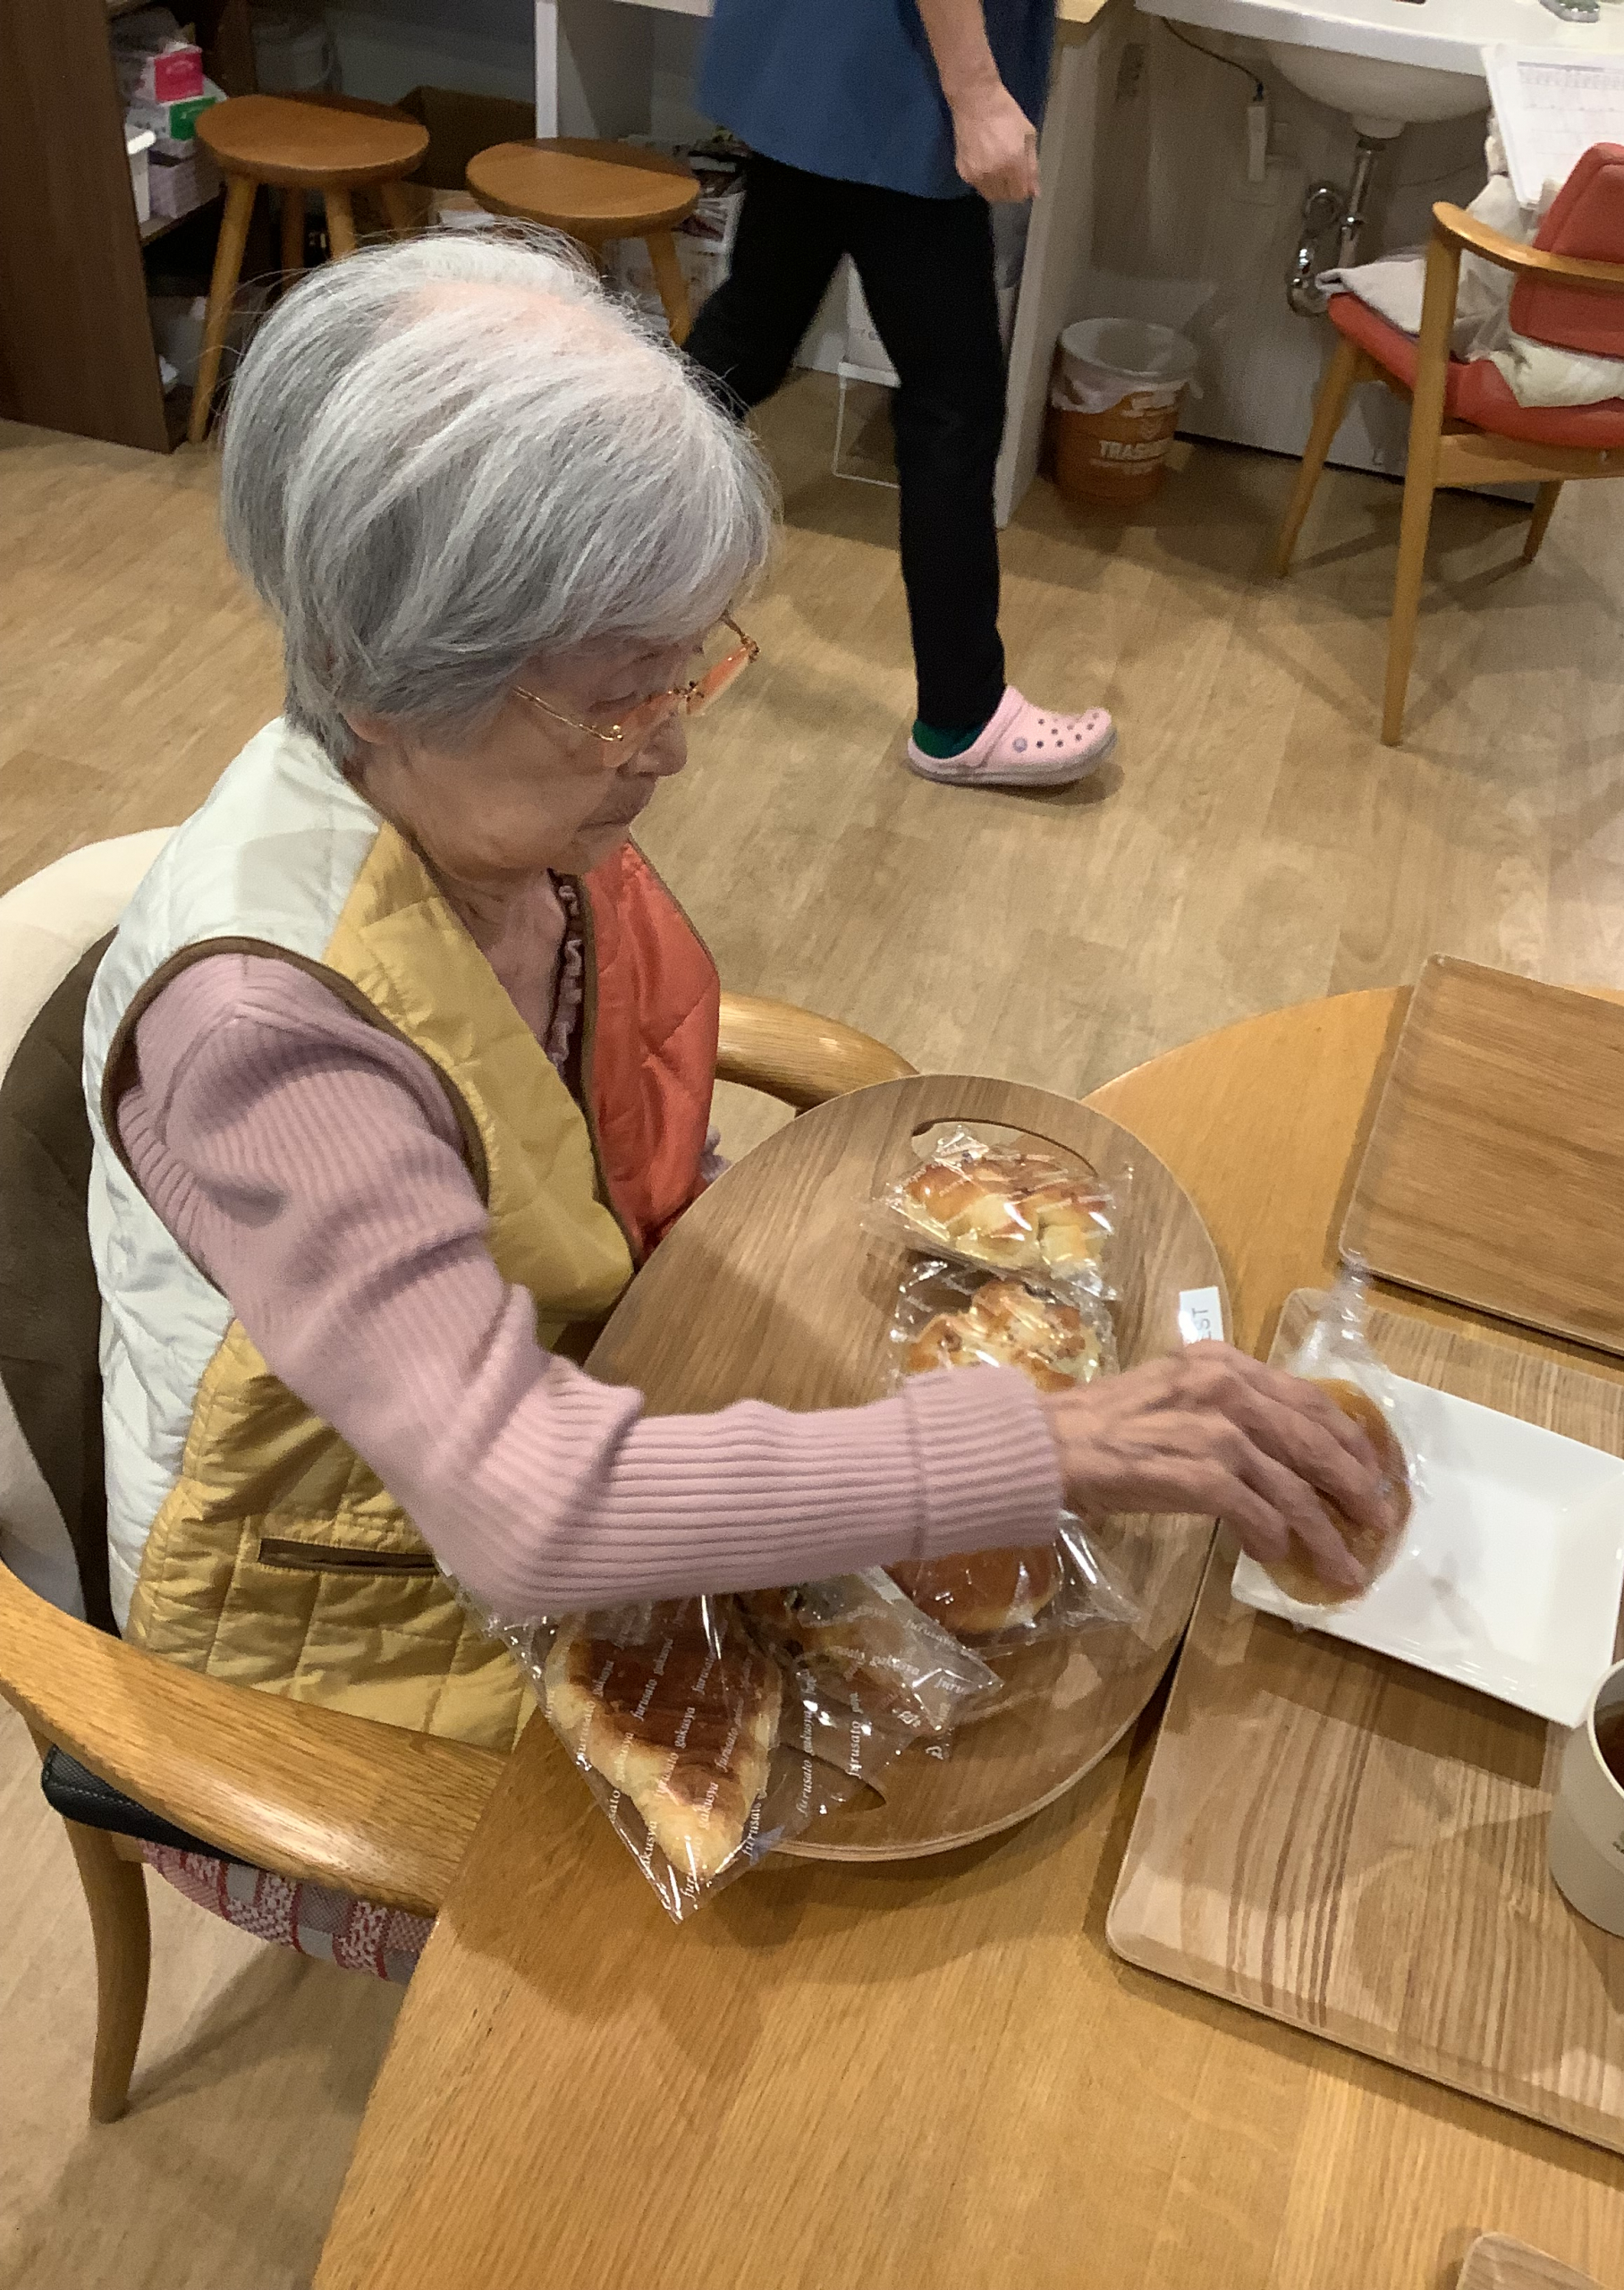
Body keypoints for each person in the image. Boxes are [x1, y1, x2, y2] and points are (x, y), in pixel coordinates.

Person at [87, 230, 1376, 1781]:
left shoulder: (493, 809)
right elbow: (525, 1512)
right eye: (618, 694)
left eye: (683, 669)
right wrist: (1046, 1445)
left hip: (575, 1402)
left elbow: (578, 1120)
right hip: (339, 1638)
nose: (671, 743)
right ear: (374, 672)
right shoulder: (264, 1034)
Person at [687, 0, 1117, 792]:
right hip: (895, 79)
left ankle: (553, 565)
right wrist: (977, 95)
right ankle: (962, 718)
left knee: (741, 346)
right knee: (953, 407)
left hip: (828, 60)